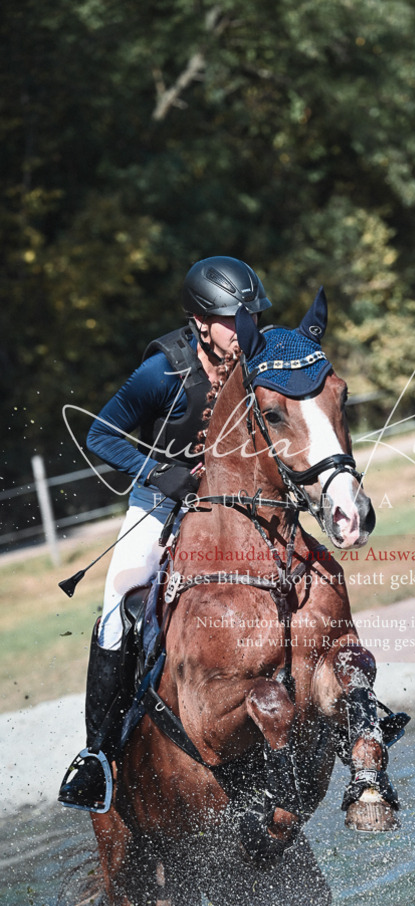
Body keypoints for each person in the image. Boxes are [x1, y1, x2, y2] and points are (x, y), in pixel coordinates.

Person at [58, 256, 271, 811]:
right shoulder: (163, 372)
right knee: (118, 610)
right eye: (232, 320)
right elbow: (99, 434)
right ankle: (98, 757)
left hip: (239, 506)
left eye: (250, 317)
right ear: (200, 321)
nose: (244, 328)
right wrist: (157, 471)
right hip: (162, 502)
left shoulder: (258, 355)